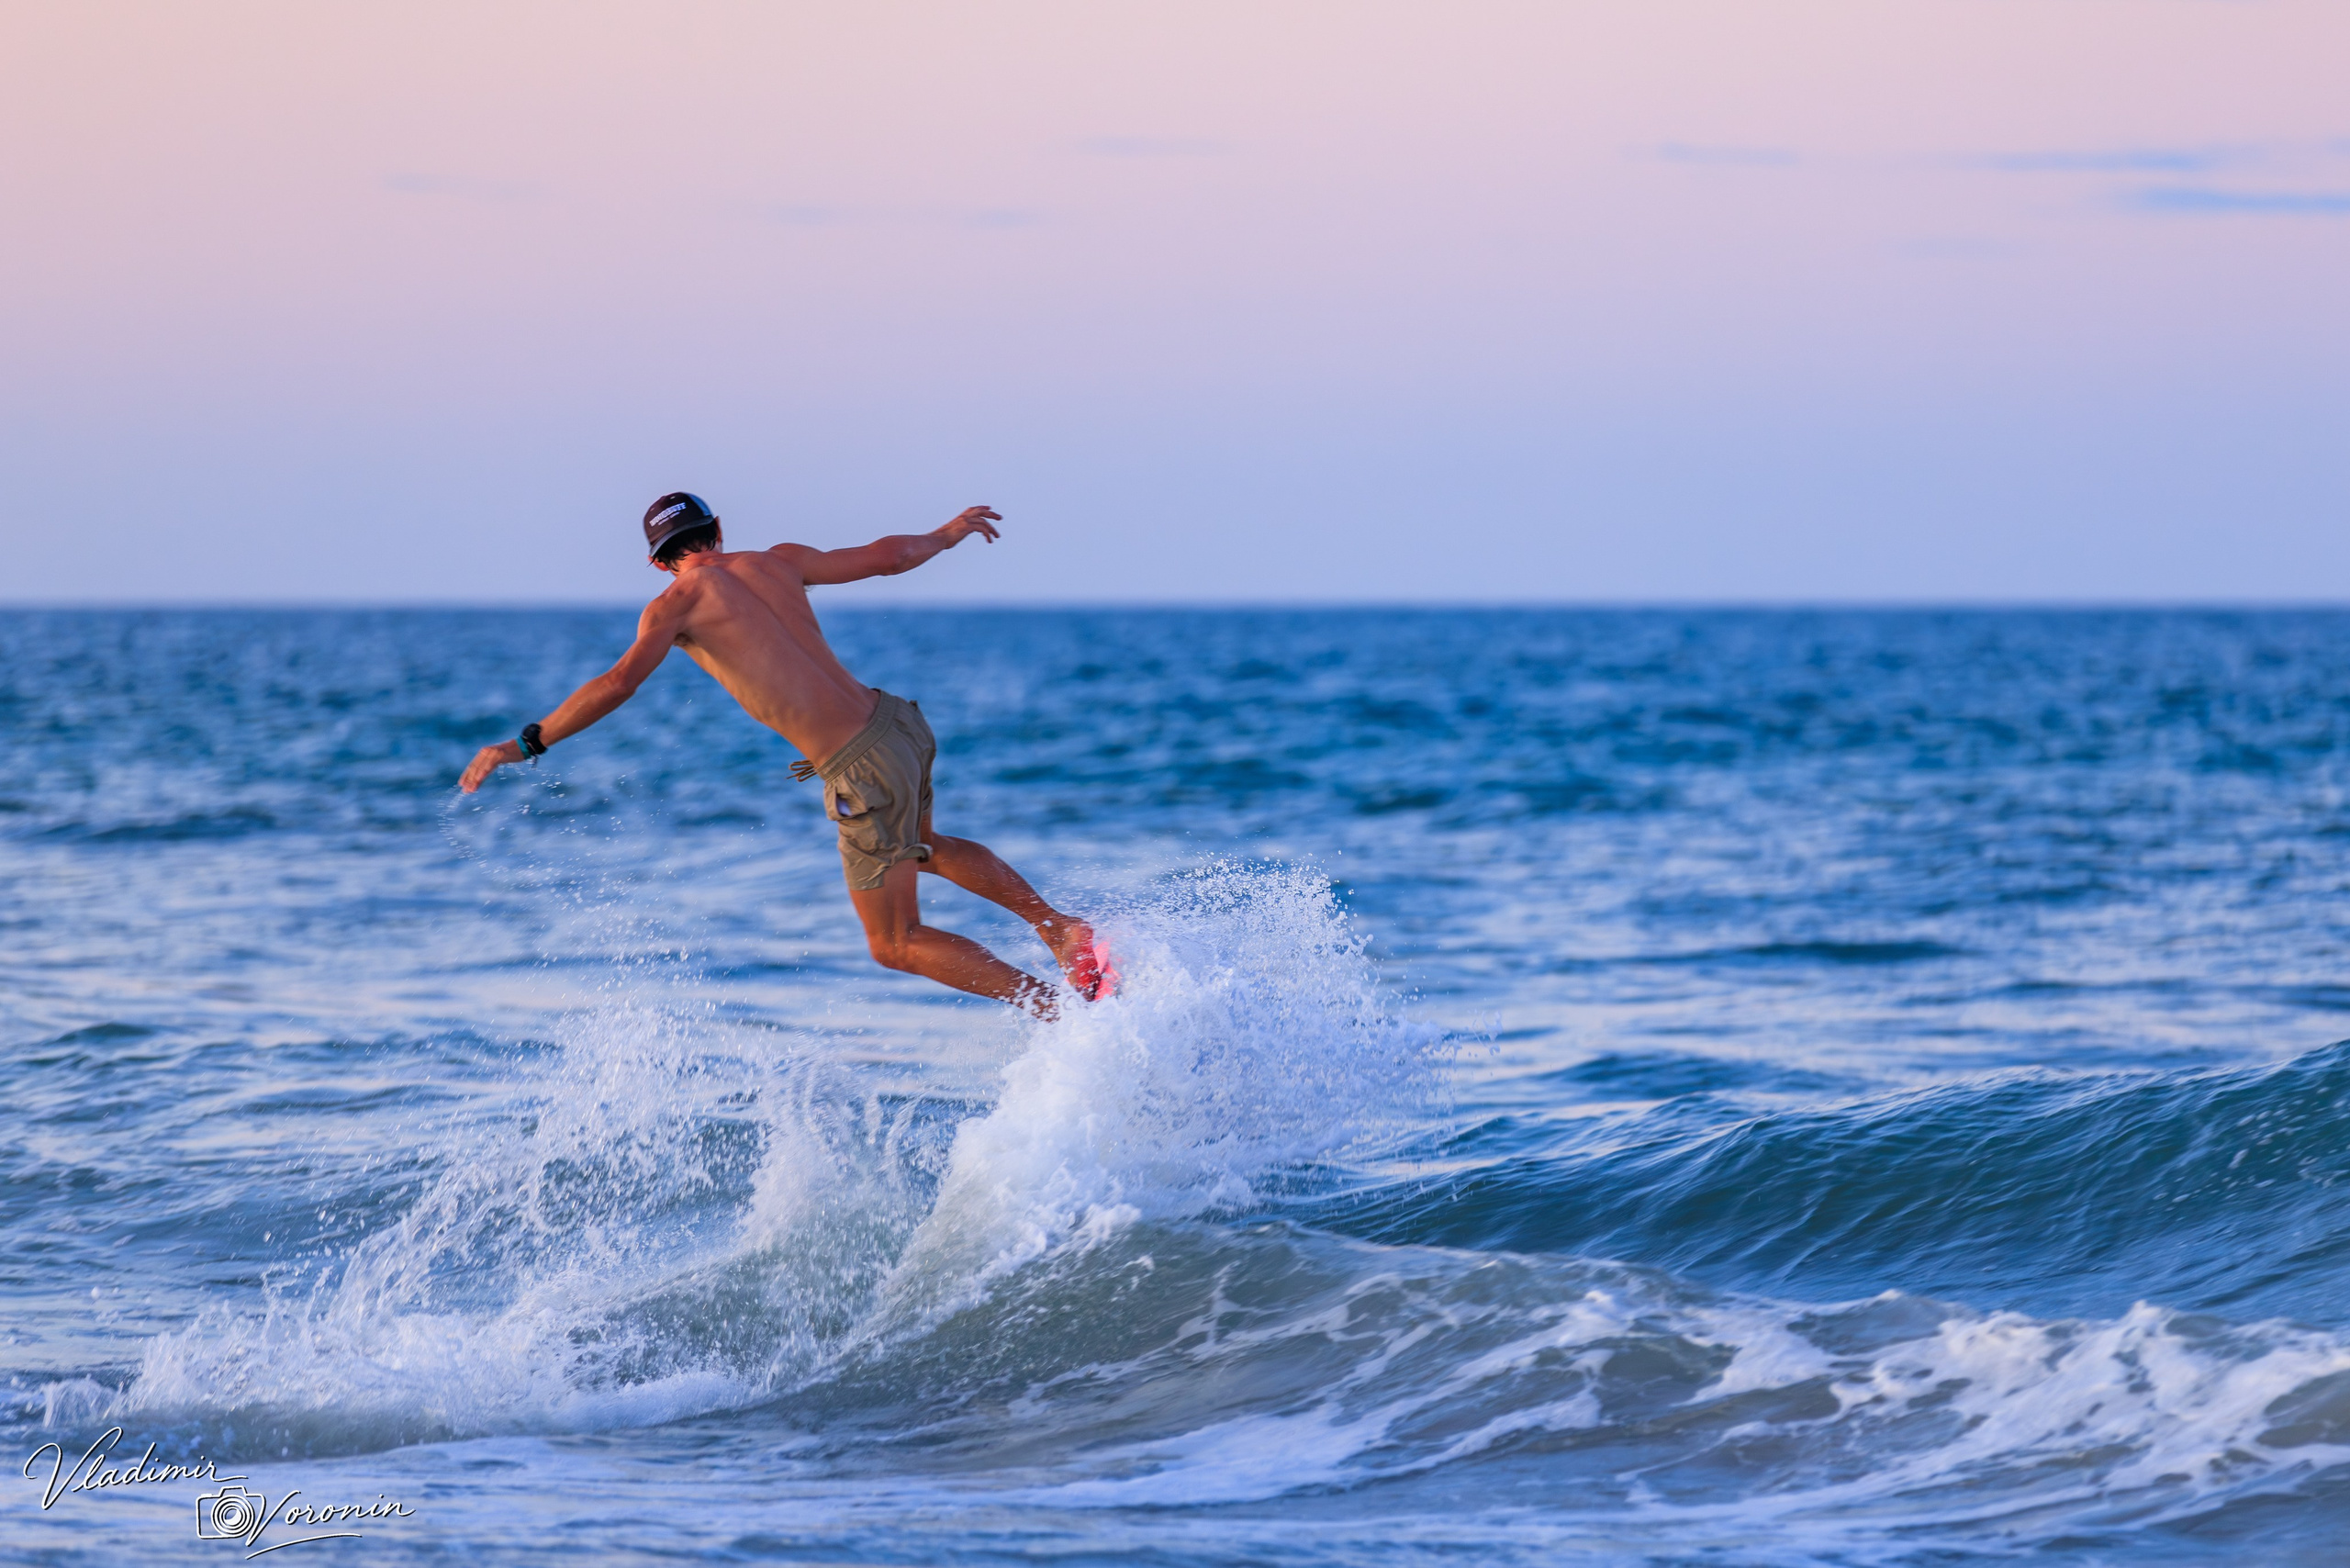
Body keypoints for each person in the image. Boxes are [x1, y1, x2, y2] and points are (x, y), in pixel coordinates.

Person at [459, 492, 1111, 1016]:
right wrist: (947, 534)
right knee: (924, 843)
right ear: (718, 530)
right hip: (898, 724)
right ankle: (1058, 928)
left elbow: (618, 682)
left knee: (894, 943)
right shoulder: (777, 561)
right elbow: (886, 556)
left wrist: (525, 742)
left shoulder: (674, 603)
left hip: (859, 761)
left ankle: (1056, 1013)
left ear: (660, 561)